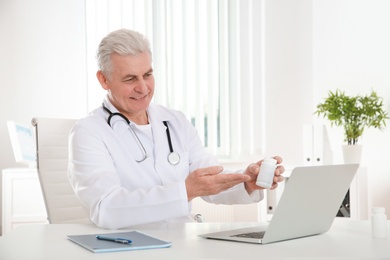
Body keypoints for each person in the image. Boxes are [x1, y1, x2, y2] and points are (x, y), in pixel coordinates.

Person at [68, 28, 285, 230]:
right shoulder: (88, 133)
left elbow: (209, 176)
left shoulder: (174, 122)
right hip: (130, 248)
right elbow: (106, 209)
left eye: (147, 75)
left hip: (184, 242)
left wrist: (247, 181)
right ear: (103, 79)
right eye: (130, 78)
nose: (143, 88)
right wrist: (186, 190)